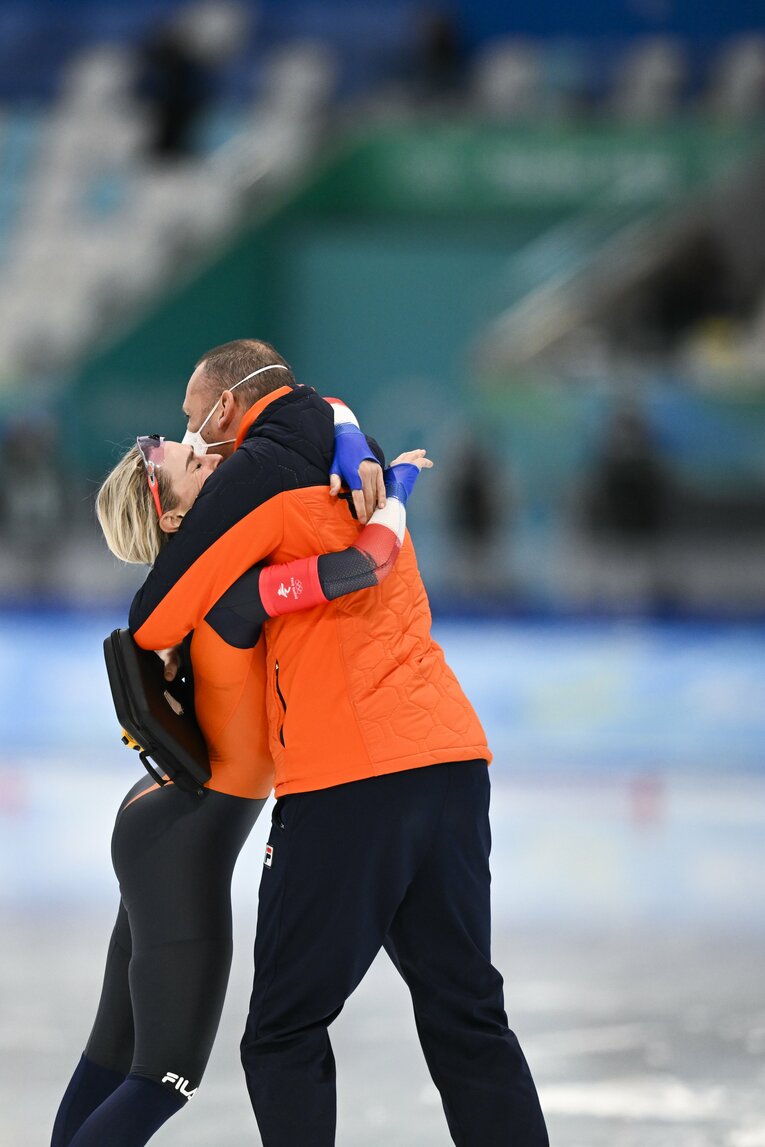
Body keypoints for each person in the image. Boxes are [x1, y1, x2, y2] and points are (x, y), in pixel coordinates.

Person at [129, 338, 549, 1146]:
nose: (189, 435)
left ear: (227, 406)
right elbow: (324, 412)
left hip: (348, 779)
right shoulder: (354, 450)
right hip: (450, 756)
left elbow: (151, 619)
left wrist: (228, 584)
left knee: (281, 1033)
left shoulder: (256, 475)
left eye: (192, 416)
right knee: (466, 1013)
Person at [51, 423, 430, 1147]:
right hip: (180, 843)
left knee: (113, 1056)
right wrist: (399, 490)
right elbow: (365, 564)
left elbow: (314, 417)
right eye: (199, 465)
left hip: (167, 825)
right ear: (173, 515)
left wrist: (354, 447)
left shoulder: (199, 585)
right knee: (163, 1078)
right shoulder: (231, 592)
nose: (220, 463)